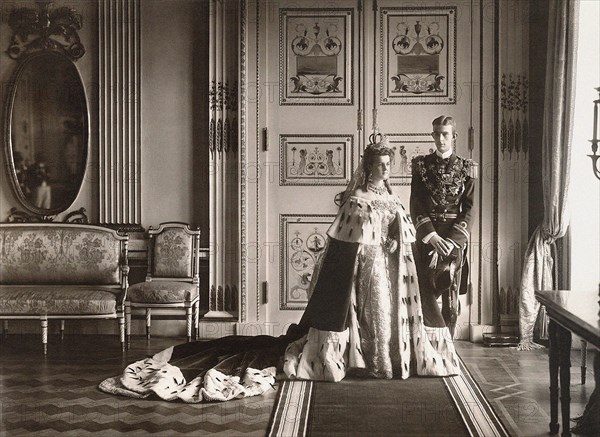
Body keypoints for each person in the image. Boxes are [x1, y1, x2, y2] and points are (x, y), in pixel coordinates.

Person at [99, 134, 460, 403]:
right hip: (364, 268)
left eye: (387, 163)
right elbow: (346, 244)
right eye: (379, 164)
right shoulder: (357, 198)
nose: (384, 168)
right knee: (370, 313)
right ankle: (366, 362)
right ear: (367, 166)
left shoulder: (391, 196)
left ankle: (390, 361)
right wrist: (368, 251)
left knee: (388, 314)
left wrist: (396, 240)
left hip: (390, 267)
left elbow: (403, 228)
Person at [410, 115, 476, 339]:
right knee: (423, 291)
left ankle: (447, 343)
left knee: (450, 293)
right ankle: (424, 341)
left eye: (445, 134)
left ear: (454, 137)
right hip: (428, 237)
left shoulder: (467, 168)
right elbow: (416, 204)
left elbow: (469, 208)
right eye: (436, 134)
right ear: (432, 135)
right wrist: (431, 236)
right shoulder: (421, 165)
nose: (440, 139)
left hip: (452, 239)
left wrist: (452, 241)